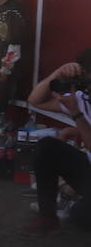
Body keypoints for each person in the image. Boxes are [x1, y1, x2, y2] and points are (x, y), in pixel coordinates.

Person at [23, 51, 91, 234]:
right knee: (47, 146)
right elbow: (34, 100)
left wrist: (76, 115)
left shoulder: (79, 105)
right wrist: (58, 73)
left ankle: (74, 204)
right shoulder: (82, 98)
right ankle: (47, 218)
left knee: (81, 218)